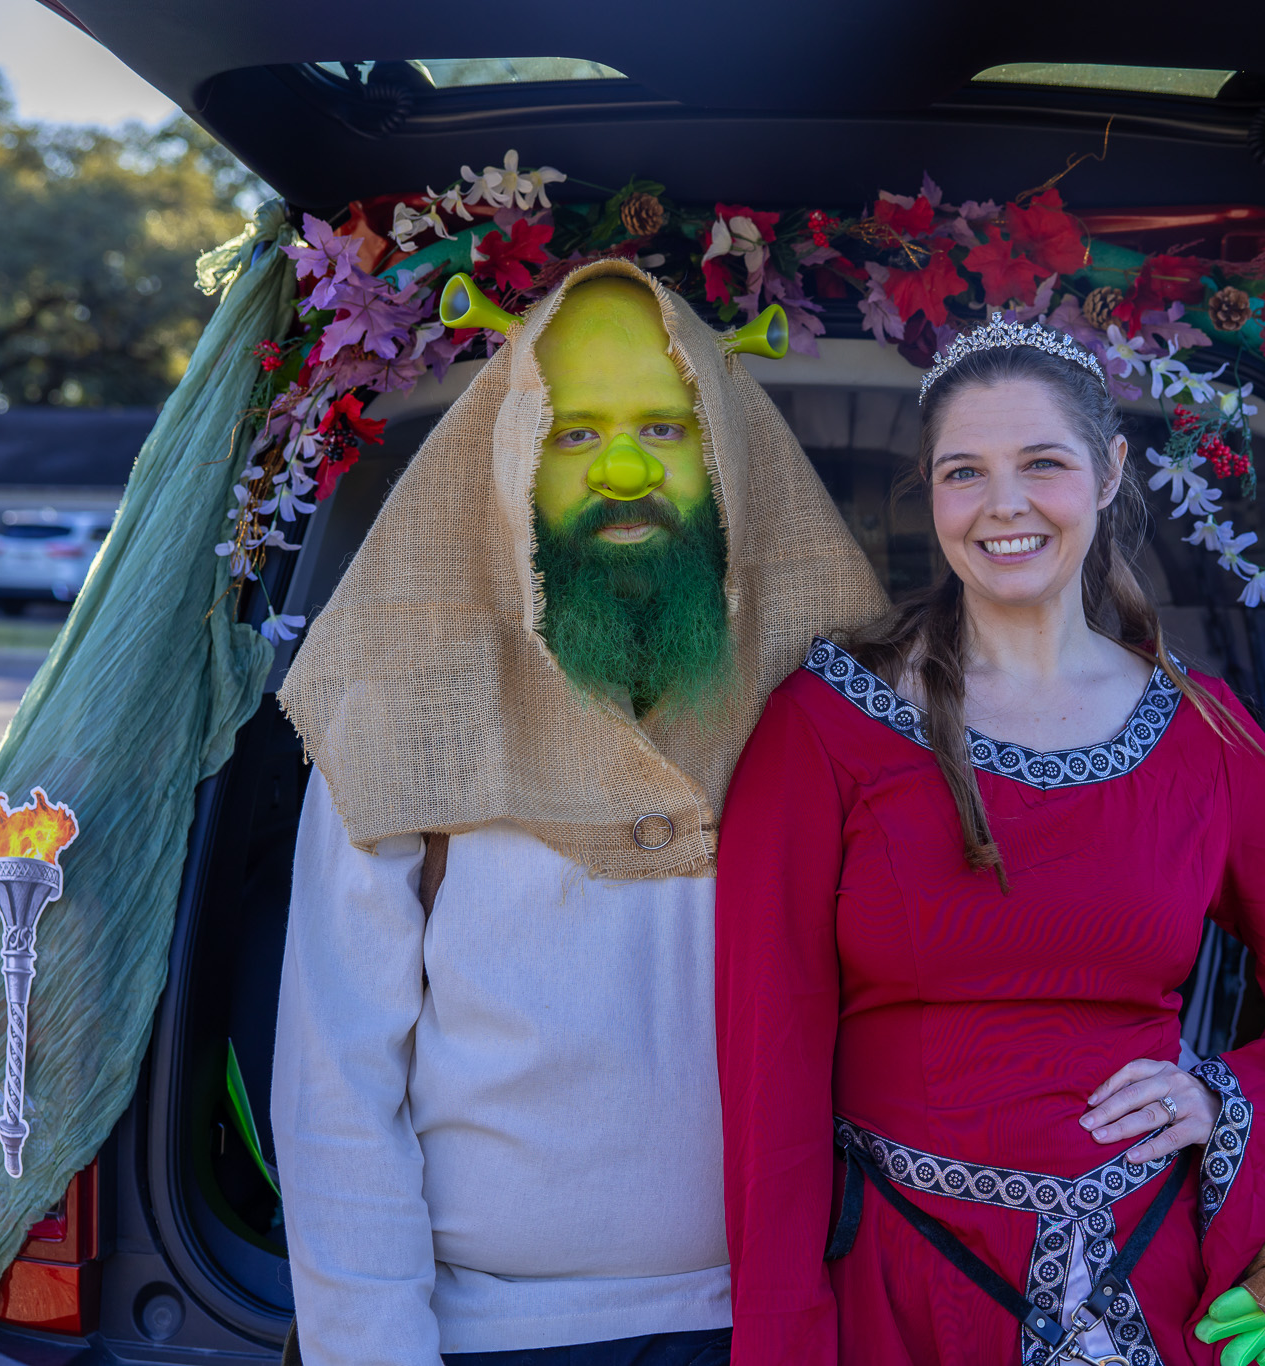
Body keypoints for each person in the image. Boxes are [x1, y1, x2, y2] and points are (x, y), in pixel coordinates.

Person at [715, 316, 1265, 1366]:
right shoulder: (823, 728)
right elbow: (769, 1064)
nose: (1004, 504)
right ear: (931, 491)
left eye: (1041, 462)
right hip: (899, 1283)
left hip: (1139, 1276)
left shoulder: (1201, 732)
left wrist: (1222, 1096)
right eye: (965, 472)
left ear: (1109, 470)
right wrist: (783, 1340)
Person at [272, 262, 885, 1365]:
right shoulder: (410, 702)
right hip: (491, 1336)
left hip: (779, 1322)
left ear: (725, 455)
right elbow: (336, 1077)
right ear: (513, 455)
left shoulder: (831, 695)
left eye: (662, 428)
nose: (622, 470)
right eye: (573, 434)